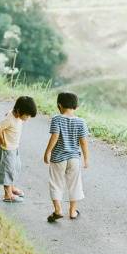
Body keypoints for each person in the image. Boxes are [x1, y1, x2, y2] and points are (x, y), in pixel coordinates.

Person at [43, 91, 89, 221]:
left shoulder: (57, 119)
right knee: (75, 184)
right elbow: (83, 142)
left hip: (58, 157)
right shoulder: (81, 122)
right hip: (74, 158)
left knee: (56, 183)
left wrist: (47, 152)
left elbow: (55, 136)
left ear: (59, 105)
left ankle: (58, 210)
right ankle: (73, 211)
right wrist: (86, 159)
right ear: (76, 107)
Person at [0, 96, 37, 203]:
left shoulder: (16, 115)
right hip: (6, 150)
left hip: (14, 148)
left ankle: (11, 188)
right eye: (27, 115)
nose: (28, 118)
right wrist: (2, 138)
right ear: (18, 110)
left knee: (15, 168)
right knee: (7, 171)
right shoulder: (10, 120)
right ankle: (8, 195)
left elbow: (8, 113)